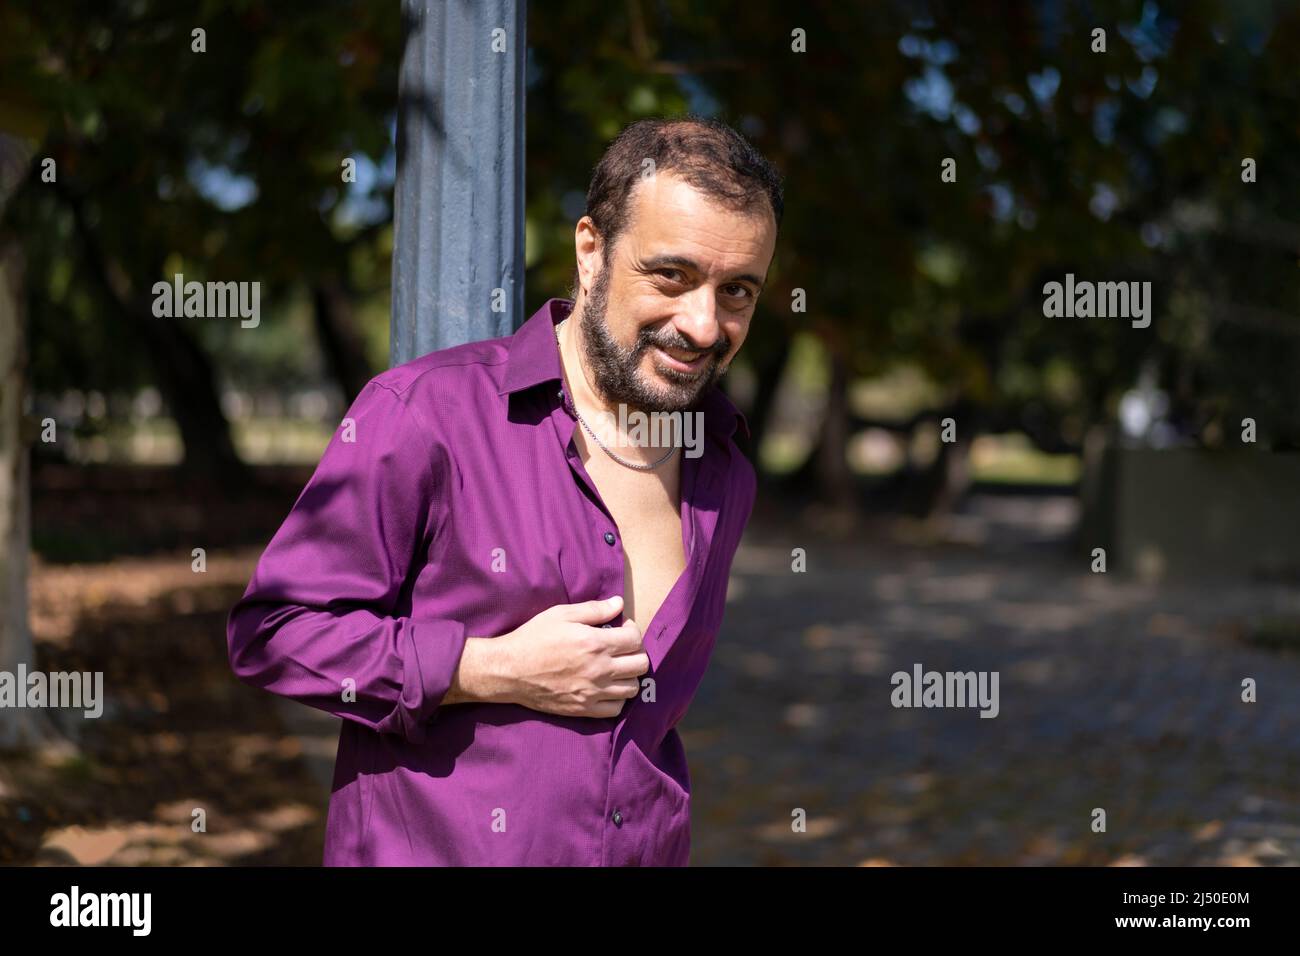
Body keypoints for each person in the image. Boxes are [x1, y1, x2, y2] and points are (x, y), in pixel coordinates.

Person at [226, 115, 782, 865]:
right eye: (672, 276)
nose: (704, 324)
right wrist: (487, 669)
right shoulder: (426, 413)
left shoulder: (725, 467)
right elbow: (273, 632)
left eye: (738, 291)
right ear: (592, 250)